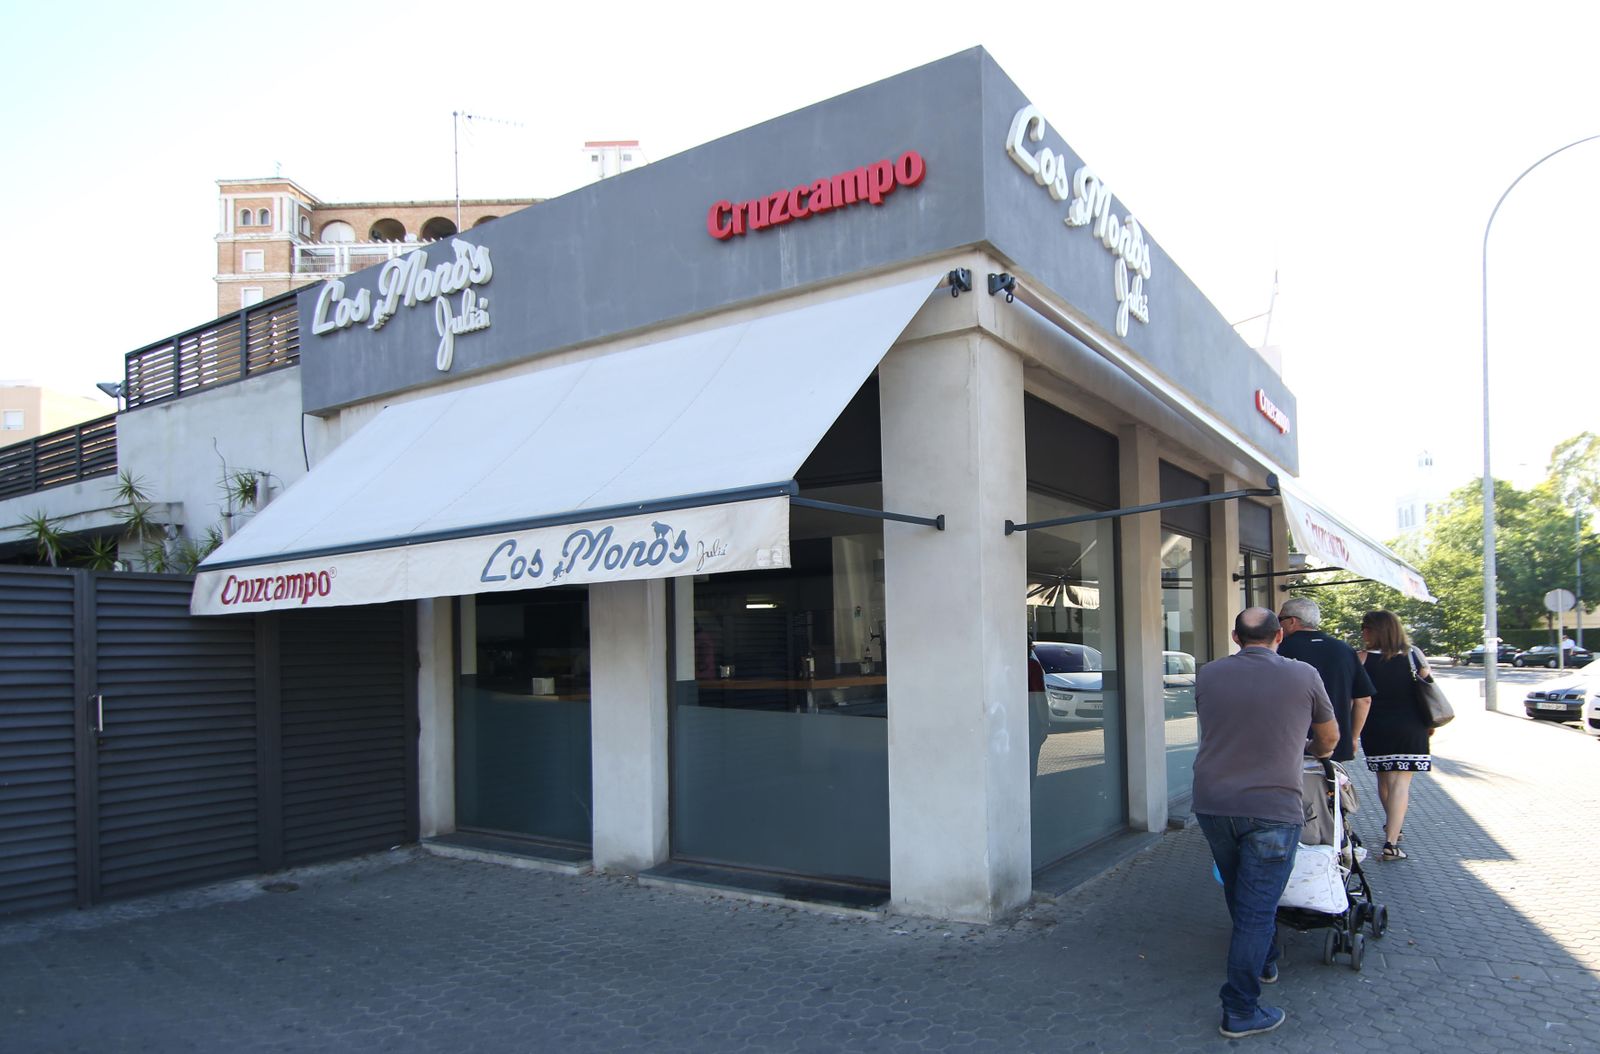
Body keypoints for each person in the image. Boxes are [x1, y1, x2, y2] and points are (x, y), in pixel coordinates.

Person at [1193, 607, 1339, 1039]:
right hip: (1273, 805)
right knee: (1258, 908)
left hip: (1215, 802)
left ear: (1235, 637)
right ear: (1280, 636)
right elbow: (1329, 738)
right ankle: (1240, 1008)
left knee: (1239, 890)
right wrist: (1309, 748)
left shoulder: (1208, 674)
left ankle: (1266, 958)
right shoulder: (1304, 674)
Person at [1357, 610, 1433, 861]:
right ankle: (1391, 842)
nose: (1362, 632)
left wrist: (1352, 732)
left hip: (1376, 728)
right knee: (1401, 784)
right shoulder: (1414, 655)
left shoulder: (1362, 658)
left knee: (1385, 780)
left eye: (1365, 628)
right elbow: (1428, 686)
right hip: (1411, 726)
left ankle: (1393, 827)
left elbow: (1357, 698)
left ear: (1376, 631)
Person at [1276, 596, 1375, 763]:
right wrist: (1352, 737)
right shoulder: (1344, 650)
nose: (1279, 625)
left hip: (1290, 742)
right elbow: (1364, 699)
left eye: (1280, 620)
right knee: (1330, 780)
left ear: (1292, 621)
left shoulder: (1279, 650)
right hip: (1335, 742)